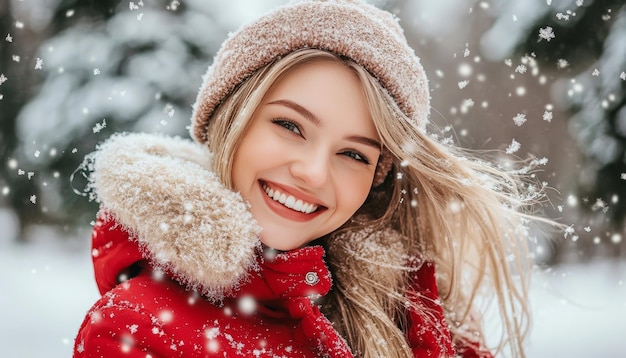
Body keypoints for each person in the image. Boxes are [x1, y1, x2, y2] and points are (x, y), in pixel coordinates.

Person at [74, 0, 551, 357]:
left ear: (378, 179)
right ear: (231, 120)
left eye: (353, 154)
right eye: (289, 126)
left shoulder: (412, 308)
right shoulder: (134, 326)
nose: (314, 172)